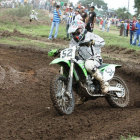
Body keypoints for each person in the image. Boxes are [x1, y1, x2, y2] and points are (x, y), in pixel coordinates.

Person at [68, 20, 109, 104]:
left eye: (76, 32)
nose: (75, 34)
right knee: (74, 71)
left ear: (81, 29)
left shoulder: (90, 35)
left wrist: (93, 42)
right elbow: (70, 50)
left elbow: (102, 41)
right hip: (82, 60)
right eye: (73, 33)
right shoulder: (73, 41)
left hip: (95, 58)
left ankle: (103, 83)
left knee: (88, 64)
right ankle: (82, 94)